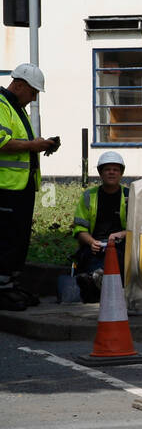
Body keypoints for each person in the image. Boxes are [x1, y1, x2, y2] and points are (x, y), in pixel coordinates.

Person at [0, 63, 59, 312]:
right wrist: (34, 145)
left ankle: (11, 285)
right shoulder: (2, 105)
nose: (34, 98)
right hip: (6, 188)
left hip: (20, 187)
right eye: (33, 92)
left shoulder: (16, 108)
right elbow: (2, 142)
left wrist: (43, 145)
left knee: (19, 240)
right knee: (7, 241)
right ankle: (2, 290)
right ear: (20, 85)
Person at [71, 151, 130, 303]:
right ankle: (95, 280)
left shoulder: (130, 195)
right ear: (100, 173)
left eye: (115, 169)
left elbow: (139, 227)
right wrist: (91, 242)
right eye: (107, 169)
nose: (111, 172)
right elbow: (79, 229)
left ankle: (95, 282)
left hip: (120, 245)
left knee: (115, 254)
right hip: (94, 245)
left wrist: (122, 234)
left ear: (121, 173)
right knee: (91, 256)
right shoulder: (88, 196)